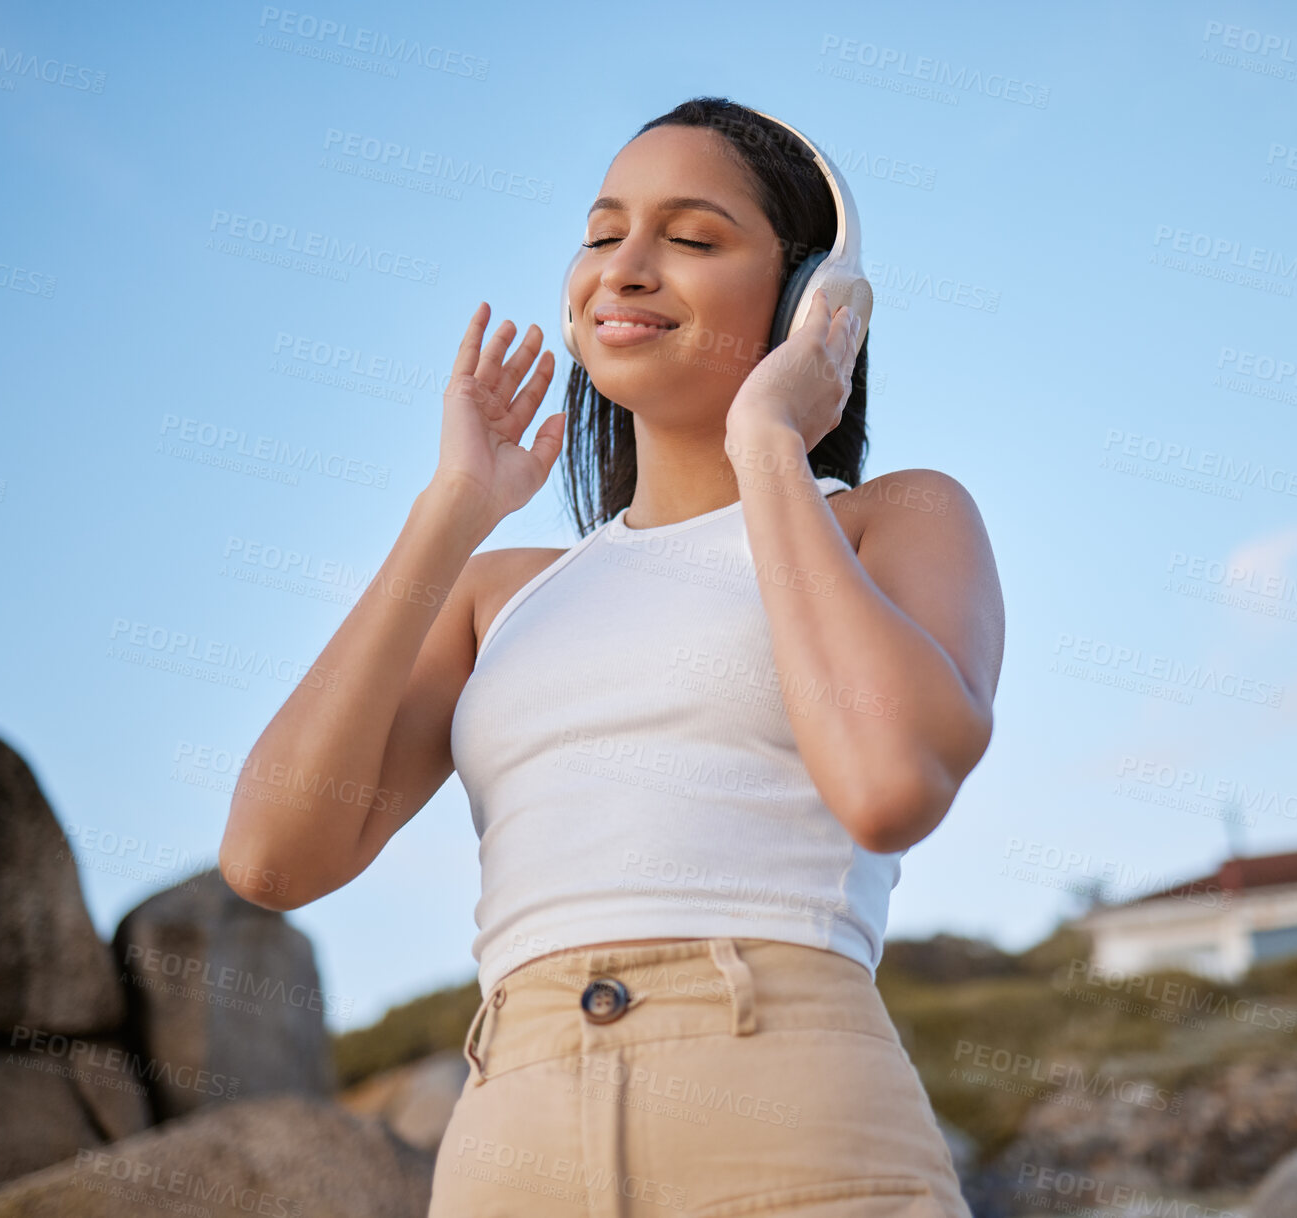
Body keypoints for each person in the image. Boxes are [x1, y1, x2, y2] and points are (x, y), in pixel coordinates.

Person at [221, 95, 1003, 1216]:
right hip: (510, 1135)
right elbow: (269, 857)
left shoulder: (890, 520)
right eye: (601, 234)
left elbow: (889, 786)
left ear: (809, 299)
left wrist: (771, 445)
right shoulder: (502, 595)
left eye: (690, 238)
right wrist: (450, 511)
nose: (625, 269)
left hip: (788, 1113)